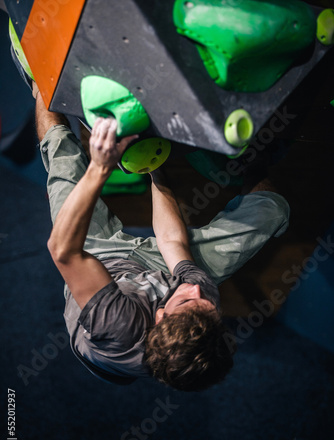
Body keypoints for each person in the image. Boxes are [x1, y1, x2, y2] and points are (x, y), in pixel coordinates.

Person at [29, 67, 290, 391]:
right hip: (152, 272)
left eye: (188, 300)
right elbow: (171, 241)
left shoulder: (117, 324)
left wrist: (100, 168)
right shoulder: (201, 305)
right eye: (207, 306)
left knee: (62, 155)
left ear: (161, 316)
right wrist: (154, 168)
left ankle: (37, 72)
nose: (196, 289)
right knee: (273, 211)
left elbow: (63, 251)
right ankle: (250, 166)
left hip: (98, 264)